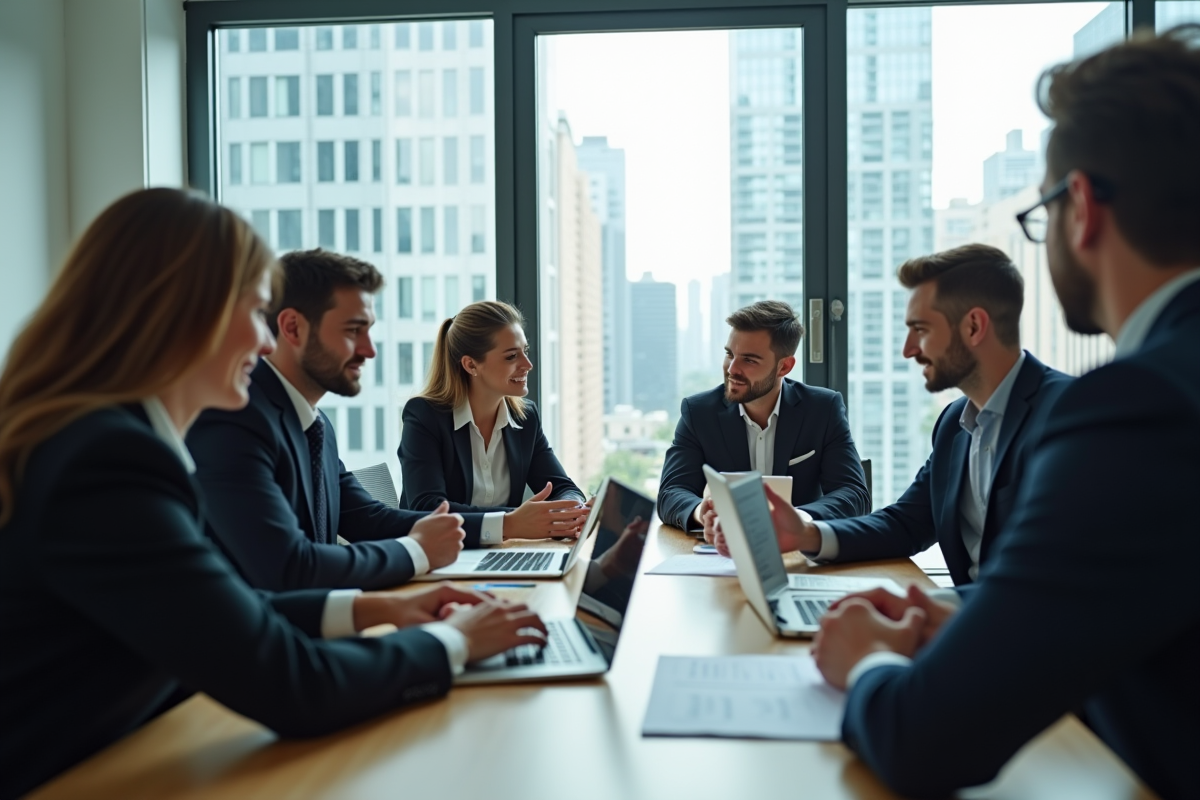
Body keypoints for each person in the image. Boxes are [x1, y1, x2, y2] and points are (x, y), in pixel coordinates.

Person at [0, 189, 547, 799]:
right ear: (184, 312)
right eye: (257, 312)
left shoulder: (101, 440)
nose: (265, 344)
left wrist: (379, 610)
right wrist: (455, 641)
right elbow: (292, 683)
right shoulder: (108, 461)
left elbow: (214, 612)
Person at [800, 27, 1200, 799]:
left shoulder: (1128, 408)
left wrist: (865, 660)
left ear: (1080, 207)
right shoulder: (960, 425)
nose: (909, 349)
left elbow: (927, 740)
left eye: (1043, 213)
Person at [716, 245, 1073, 586]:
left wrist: (927, 611)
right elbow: (907, 524)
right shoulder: (955, 424)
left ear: (974, 327)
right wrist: (805, 533)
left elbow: (1053, 577)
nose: (908, 350)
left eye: (921, 330)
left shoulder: (1067, 414)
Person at [188, 249, 487, 591]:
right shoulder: (235, 419)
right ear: (292, 328)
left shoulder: (316, 425)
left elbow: (367, 519)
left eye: (369, 331)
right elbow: (288, 568)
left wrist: (502, 526)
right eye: (353, 331)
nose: (369, 350)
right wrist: (416, 551)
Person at [658, 300, 869, 533]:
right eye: (730, 354)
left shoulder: (823, 409)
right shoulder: (698, 412)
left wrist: (798, 519)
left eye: (749, 360)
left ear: (784, 367)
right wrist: (701, 512)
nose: (732, 369)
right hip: (722, 551)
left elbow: (853, 494)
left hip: (801, 551)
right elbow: (670, 492)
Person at [399, 301, 589, 542]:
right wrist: (514, 522)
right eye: (511, 356)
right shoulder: (424, 415)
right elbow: (427, 509)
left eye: (525, 351)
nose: (527, 365)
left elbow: (562, 486)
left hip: (499, 555)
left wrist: (573, 508)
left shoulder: (526, 418)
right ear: (470, 365)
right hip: (439, 558)